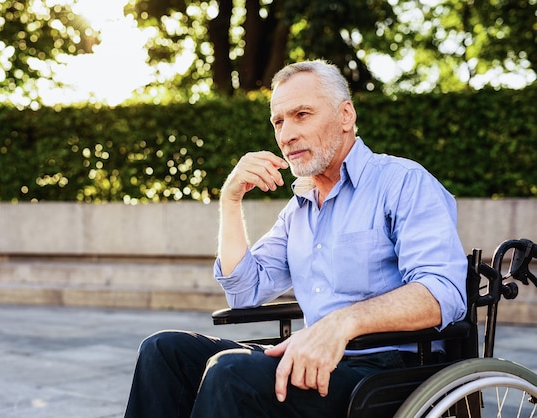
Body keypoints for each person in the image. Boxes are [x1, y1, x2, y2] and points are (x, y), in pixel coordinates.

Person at [124, 60, 467, 418]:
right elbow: (244, 291)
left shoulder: (403, 182)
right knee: (162, 351)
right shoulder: (300, 208)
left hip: (386, 370)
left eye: (301, 114)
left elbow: (443, 291)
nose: (286, 134)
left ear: (346, 116)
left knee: (231, 373)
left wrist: (342, 323)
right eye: (278, 121)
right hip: (312, 358)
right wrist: (231, 199)